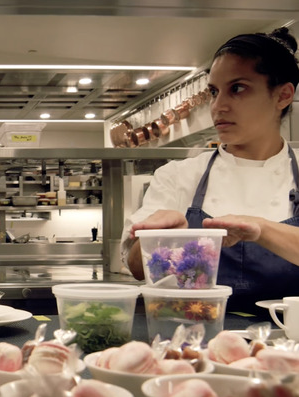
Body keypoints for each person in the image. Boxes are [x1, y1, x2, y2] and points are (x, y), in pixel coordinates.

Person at [121, 27, 299, 311]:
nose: (218, 106)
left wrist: (261, 229)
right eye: (214, 92)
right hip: (195, 336)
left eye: (237, 88)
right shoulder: (178, 176)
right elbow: (137, 268)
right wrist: (160, 239)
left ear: (283, 95)